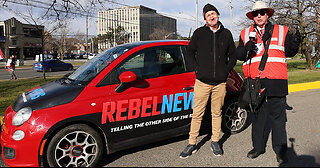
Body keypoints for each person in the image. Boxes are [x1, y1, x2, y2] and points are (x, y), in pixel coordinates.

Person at [235, 1, 300, 164]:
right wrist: (246, 48)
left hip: (276, 83)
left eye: (262, 13)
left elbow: (290, 51)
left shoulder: (282, 30)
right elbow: (239, 55)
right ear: (252, 17)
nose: (259, 16)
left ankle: (280, 151)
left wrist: (295, 42)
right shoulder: (245, 33)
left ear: (268, 15)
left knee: (278, 120)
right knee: (258, 118)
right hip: (255, 84)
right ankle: (258, 147)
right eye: (256, 14)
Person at [179, 3, 237, 159]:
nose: (211, 16)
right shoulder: (199, 33)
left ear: (218, 15)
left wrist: (226, 71)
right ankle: (192, 143)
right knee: (197, 114)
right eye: (207, 15)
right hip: (202, 83)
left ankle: (215, 141)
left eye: (213, 13)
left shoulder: (227, 34)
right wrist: (197, 69)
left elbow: (233, 55)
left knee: (216, 113)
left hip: (220, 83)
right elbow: (189, 52)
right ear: (205, 19)